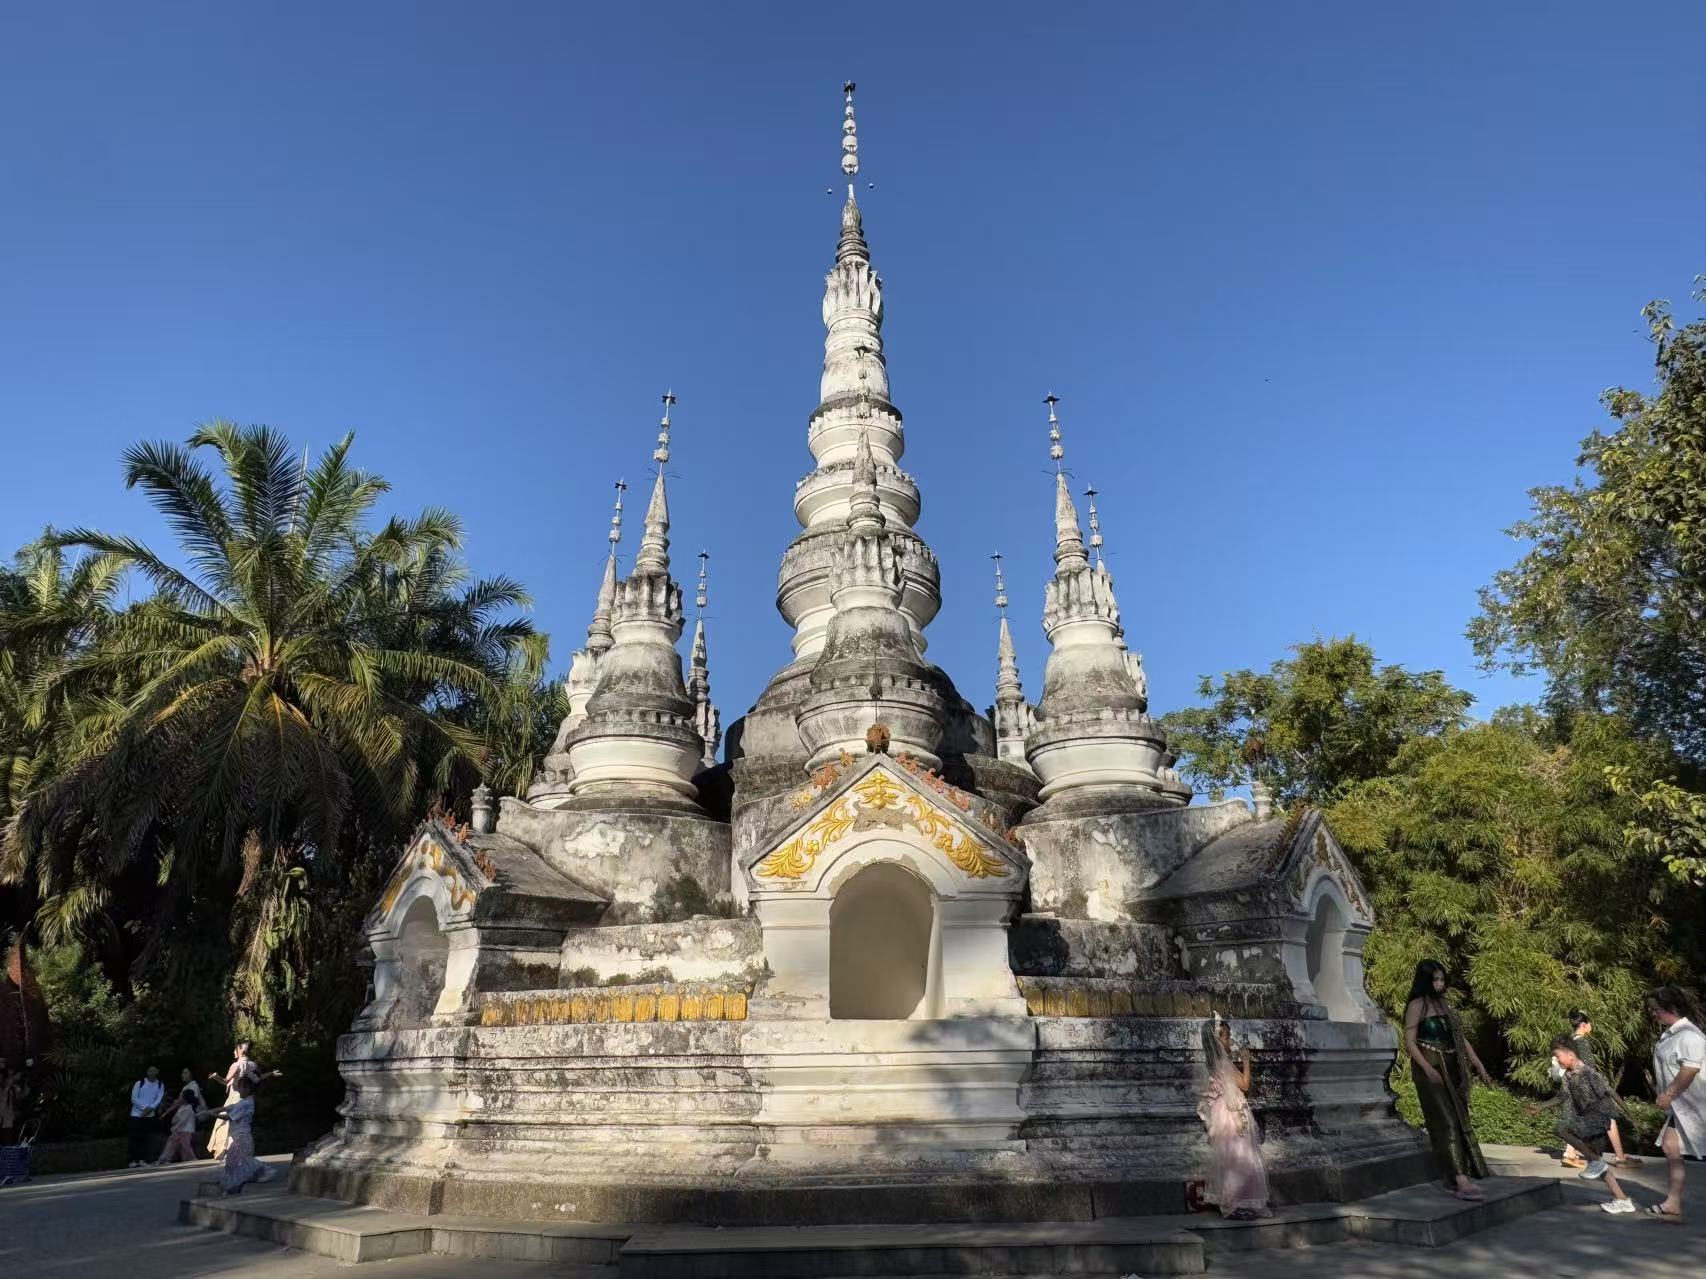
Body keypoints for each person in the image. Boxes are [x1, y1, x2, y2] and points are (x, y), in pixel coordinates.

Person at [1402, 960, 1492, 1199]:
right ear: (1425, 981)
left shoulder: (1445, 1004)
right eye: (1435, 979)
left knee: (1460, 1118)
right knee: (1446, 1120)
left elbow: (1460, 1037)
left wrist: (1476, 1062)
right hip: (1430, 1065)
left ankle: (1461, 1176)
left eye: (1442, 979)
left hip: (1452, 1065)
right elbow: (1410, 1042)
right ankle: (1460, 1181)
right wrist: (1427, 1068)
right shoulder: (1416, 1005)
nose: (1440, 984)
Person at [1528, 1036, 1636, 1214]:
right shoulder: (1568, 1076)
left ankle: (1595, 1163)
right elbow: (1562, 1096)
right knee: (1597, 1160)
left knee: (1561, 1128)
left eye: (1557, 1056)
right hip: (1589, 1118)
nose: (1556, 1060)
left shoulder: (1588, 1073)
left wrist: (1630, 1115)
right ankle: (1622, 1199)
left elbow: (1611, 1092)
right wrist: (1540, 1107)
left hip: (1600, 1117)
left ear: (1570, 1055)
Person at [1197, 1013, 1270, 1219]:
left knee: (1228, 1158)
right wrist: (1246, 1061)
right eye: (1226, 1037)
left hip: (1221, 1112)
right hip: (1232, 1113)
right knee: (1240, 1157)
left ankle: (1232, 1201)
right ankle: (1235, 1203)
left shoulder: (1211, 1064)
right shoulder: (1225, 1063)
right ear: (1218, 1040)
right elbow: (1244, 1085)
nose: (1229, 1041)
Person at [1546, 1011, 1638, 1170]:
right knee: (1609, 1117)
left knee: (1580, 1120)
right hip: (1586, 1091)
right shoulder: (1582, 1042)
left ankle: (1570, 1154)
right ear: (1584, 1024)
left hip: (1573, 1088)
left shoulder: (1569, 1042)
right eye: (1590, 1024)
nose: (1591, 1026)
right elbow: (1588, 1067)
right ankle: (1620, 1158)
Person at [1648, 985, 1705, 1224]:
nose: (1654, 1013)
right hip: (1683, 1108)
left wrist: (1669, 1093)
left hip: (1695, 1106)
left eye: (1656, 1009)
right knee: (1671, 1147)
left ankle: (1673, 1202)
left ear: (1669, 1008)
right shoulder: (1673, 1034)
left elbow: (1690, 1069)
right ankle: (1672, 1203)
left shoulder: (1689, 1036)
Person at [199, 1068, 281, 1194]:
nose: (238, 1090)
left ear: (247, 1089)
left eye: (240, 1088)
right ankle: (242, 1179)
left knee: (244, 1160)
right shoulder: (247, 1101)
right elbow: (227, 1107)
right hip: (240, 1136)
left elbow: (228, 1116)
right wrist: (209, 1111)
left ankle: (265, 1171)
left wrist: (211, 1114)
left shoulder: (245, 1103)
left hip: (241, 1137)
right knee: (233, 1161)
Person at [207, 1042, 257, 1161]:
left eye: (235, 1050)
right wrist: (270, 1074)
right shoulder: (253, 1064)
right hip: (247, 1096)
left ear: (240, 1051)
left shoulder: (236, 1065)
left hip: (235, 1096)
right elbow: (256, 1079)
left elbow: (226, 1081)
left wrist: (215, 1077)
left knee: (225, 1123)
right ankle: (240, 1150)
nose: (234, 1052)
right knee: (241, 1124)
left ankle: (227, 1151)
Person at [154, 1068, 206, 1165]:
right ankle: (168, 1159)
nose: (183, 1074)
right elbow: (178, 1102)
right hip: (182, 1124)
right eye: (182, 1072)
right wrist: (166, 1113)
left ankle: (166, 1159)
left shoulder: (194, 1087)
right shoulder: (186, 1090)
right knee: (178, 1143)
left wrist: (175, 1125)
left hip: (185, 1125)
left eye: (185, 1072)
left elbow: (186, 1102)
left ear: (191, 1074)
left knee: (181, 1143)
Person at [126, 1065, 165, 1167]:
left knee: (146, 1138)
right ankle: (132, 1160)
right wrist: (145, 1108)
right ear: (147, 1073)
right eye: (149, 1071)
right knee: (134, 1138)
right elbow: (134, 1098)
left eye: (153, 1071)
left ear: (157, 1072)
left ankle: (143, 1159)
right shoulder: (139, 1083)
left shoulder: (160, 1084)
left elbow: (158, 1099)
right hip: (136, 1115)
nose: (151, 1073)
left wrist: (151, 1108)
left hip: (149, 1115)